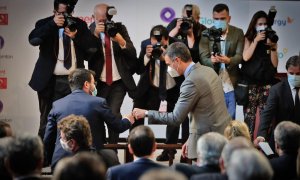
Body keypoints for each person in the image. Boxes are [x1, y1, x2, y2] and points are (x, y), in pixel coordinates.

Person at [133, 42, 231, 160]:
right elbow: (208, 110)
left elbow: (175, 118)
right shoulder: (208, 70)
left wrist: (146, 113)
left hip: (208, 140)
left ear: (177, 61)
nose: (168, 68)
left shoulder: (190, 81)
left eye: (169, 64)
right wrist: (191, 137)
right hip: (222, 132)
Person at [28, 0, 95, 140]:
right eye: (61, 14)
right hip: (49, 81)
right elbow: (33, 40)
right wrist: (52, 24)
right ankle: (44, 158)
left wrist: (76, 36)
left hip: (73, 82)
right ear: (54, 12)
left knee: (74, 122)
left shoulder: (79, 25)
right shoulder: (44, 23)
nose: (64, 17)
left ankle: (70, 157)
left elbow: (92, 49)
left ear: (72, 13)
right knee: (46, 122)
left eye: (67, 14)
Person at [43, 68, 134, 170]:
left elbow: (48, 138)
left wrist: (50, 159)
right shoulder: (98, 102)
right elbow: (117, 126)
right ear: (86, 84)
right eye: (93, 83)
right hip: (90, 162)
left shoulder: (57, 105)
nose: (94, 86)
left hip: (60, 162)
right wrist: (128, 119)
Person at [133, 25, 187, 162]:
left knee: (176, 117)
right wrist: (146, 56)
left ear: (167, 39)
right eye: (153, 40)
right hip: (150, 88)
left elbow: (182, 72)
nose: (156, 44)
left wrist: (167, 60)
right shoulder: (145, 44)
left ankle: (169, 151)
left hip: (173, 88)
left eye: (160, 41)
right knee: (137, 111)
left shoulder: (178, 45)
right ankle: (137, 148)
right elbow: (139, 69)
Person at [88, 3, 137, 145]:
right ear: (93, 18)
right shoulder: (89, 31)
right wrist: (96, 35)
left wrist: (120, 40)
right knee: (97, 116)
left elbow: (132, 53)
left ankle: (113, 149)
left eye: (107, 19)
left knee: (114, 114)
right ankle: (101, 148)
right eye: (101, 20)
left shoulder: (119, 28)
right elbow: (87, 55)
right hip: (98, 82)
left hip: (118, 82)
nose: (104, 23)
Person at [199, 3, 244, 119]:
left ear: (229, 18)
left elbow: (239, 56)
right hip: (212, 83)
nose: (219, 21)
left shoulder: (238, 32)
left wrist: (229, 60)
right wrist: (211, 61)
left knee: (230, 119)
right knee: (213, 119)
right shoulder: (206, 33)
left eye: (222, 18)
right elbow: (203, 57)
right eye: (216, 19)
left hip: (231, 83)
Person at [242, 10, 279, 138]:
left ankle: (265, 145)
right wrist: (256, 41)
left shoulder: (271, 38)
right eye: (260, 24)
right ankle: (247, 145)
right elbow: (245, 57)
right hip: (251, 83)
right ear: (254, 24)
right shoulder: (248, 38)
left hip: (267, 83)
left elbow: (274, 64)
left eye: (265, 24)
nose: (263, 26)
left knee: (266, 116)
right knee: (249, 116)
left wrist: (273, 47)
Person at [254, 55, 300, 150]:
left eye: (298, 74)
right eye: (291, 73)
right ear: (287, 72)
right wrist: (261, 135)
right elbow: (267, 113)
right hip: (281, 138)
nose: (295, 76)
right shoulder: (277, 90)